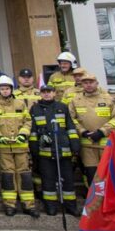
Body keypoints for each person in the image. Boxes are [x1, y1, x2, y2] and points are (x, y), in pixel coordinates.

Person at [0, 75, 39, 218]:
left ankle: (29, 205)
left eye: (7, 88)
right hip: (4, 148)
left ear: (11, 89)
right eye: (2, 89)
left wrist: (23, 134)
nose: (5, 91)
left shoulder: (20, 104)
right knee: (7, 175)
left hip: (21, 146)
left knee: (24, 175)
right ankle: (10, 204)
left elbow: (28, 121)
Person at [29, 85, 81, 216]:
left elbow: (70, 127)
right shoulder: (35, 109)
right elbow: (33, 130)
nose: (46, 94)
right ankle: (50, 206)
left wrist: (75, 144)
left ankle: (71, 206)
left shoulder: (62, 107)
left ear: (54, 93)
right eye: (44, 92)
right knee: (48, 180)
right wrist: (34, 148)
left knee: (68, 180)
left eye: (49, 92)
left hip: (64, 150)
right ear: (40, 94)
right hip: (45, 152)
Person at [68, 72, 115, 188]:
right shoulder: (75, 101)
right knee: (91, 174)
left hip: (105, 143)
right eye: (85, 83)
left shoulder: (108, 99)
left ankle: (109, 200)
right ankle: (93, 201)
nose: (88, 85)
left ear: (97, 83)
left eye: (91, 82)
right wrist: (82, 131)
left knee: (108, 172)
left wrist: (102, 131)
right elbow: (71, 119)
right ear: (82, 84)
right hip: (87, 144)